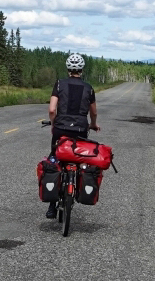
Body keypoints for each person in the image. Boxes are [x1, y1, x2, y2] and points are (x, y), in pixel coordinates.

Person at [45, 53, 99, 218]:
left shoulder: (60, 84)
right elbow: (94, 112)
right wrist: (93, 124)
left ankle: (52, 206)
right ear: (82, 69)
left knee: (54, 160)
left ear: (67, 68)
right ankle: (77, 187)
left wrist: (54, 124)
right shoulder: (88, 88)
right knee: (78, 158)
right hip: (81, 130)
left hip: (60, 129)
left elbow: (52, 110)